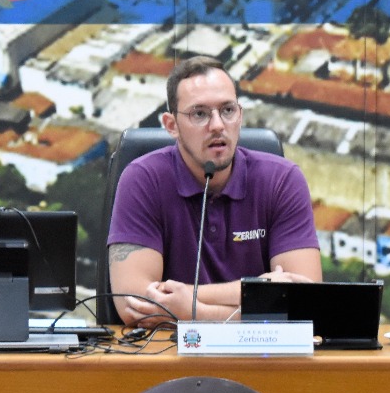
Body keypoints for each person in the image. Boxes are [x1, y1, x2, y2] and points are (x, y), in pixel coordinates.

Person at [107, 57, 322, 326]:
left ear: (240, 114)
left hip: (262, 361)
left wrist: (193, 310)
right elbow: (135, 305)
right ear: (171, 125)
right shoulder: (142, 179)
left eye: (228, 110)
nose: (218, 125)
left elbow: (305, 306)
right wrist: (260, 289)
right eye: (200, 114)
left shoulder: (282, 180)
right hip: (167, 360)